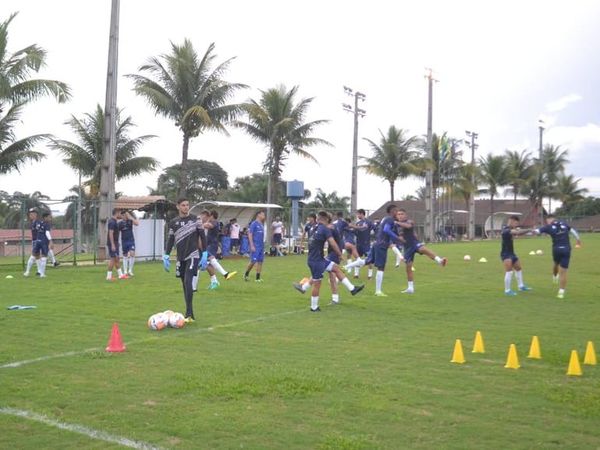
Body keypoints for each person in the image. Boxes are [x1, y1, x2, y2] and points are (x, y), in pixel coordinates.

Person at [293, 211, 364, 311]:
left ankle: (352, 289)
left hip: (319, 259)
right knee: (317, 283)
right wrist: (340, 254)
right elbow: (333, 243)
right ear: (326, 219)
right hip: (316, 261)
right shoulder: (324, 229)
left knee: (336, 268)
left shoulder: (314, 228)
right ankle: (314, 307)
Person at [163, 198, 207, 322]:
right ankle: (190, 313)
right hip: (180, 257)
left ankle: (188, 313)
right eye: (183, 205)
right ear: (178, 207)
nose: (186, 207)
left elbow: (202, 236)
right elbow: (171, 239)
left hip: (193, 255)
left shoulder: (195, 219)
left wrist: (204, 253)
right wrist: (166, 254)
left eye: (187, 205)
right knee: (184, 284)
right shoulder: (173, 222)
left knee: (188, 281)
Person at [395, 208, 447, 294]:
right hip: (407, 248)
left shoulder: (409, 221)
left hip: (414, 244)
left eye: (402, 214)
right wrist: (400, 238)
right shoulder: (396, 226)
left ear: (405, 215)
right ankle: (410, 288)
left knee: (423, 249)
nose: (400, 215)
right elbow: (402, 235)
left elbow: (408, 226)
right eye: (398, 214)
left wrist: (397, 222)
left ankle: (440, 260)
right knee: (408, 268)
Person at [534, 214, 582, 299]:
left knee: (556, 263)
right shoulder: (564, 224)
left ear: (549, 219)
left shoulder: (548, 226)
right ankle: (561, 292)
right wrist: (578, 240)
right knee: (563, 272)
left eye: (547, 220)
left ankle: (555, 276)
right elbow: (573, 231)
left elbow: (536, 232)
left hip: (556, 249)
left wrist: (530, 230)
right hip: (566, 249)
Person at [200, 210, 237, 289]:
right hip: (209, 244)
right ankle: (215, 281)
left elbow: (208, 226)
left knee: (210, 259)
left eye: (208, 216)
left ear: (212, 216)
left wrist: (200, 223)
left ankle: (224, 274)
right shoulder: (213, 222)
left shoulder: (214, 222)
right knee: (208, 264)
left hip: (212, 245)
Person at [499, 215, 532, 296]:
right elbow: (517, 232)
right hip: (506, 254)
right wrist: (529, 229)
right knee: (509, 272)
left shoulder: (510, 229)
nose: (516, 225)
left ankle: (521, 286)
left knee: (518, 268)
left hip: (512, 253)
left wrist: (518, 230)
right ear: (511, 221)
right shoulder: (505, 229)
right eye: (516, 223)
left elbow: (516, 231)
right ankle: (507, 290)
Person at [244, 211, 266, 282]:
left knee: (260, 261)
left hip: (261, 245)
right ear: (258, 215)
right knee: (253, 261)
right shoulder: (254, 224)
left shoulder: (261, 224)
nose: (264, 216)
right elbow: (250, 234)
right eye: (262, 214)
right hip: (255, 245)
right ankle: (246, 274)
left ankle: (257, 278)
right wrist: (252, 245)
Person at [106, 208, 127, 281]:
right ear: (117, 213)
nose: (120, 214)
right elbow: (110, 233)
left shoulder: (115, 221)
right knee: (113, 259)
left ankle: (120, 275)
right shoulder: (112, 222)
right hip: (112, 243)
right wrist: (112, 244)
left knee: (116, 259)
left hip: (115, 243)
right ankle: (109, 277)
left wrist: (116, 243)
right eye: (120, 213)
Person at [119, 210, 139, 277]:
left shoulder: (130, 221)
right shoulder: (120, 223)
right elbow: (116, 232)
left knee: (132, 253)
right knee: (125, 255)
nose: (124, 216)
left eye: (125, 215)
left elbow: (137, 223)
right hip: (124, 241)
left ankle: (130, 270)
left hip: (131, 240)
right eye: (123, 215)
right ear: (121, 216)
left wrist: (130, 216)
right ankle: (125, 271)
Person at [24, 208, 43, 277]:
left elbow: (40, 232)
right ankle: (39, 271)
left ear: (35, 215)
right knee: (37, 257)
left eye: (31, 214)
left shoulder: (38, 222)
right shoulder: (33, 222)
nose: (30, 216)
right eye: (29, 214)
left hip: (37, 241)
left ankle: (27, 272)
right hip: (34, 241)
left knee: (33, 256)